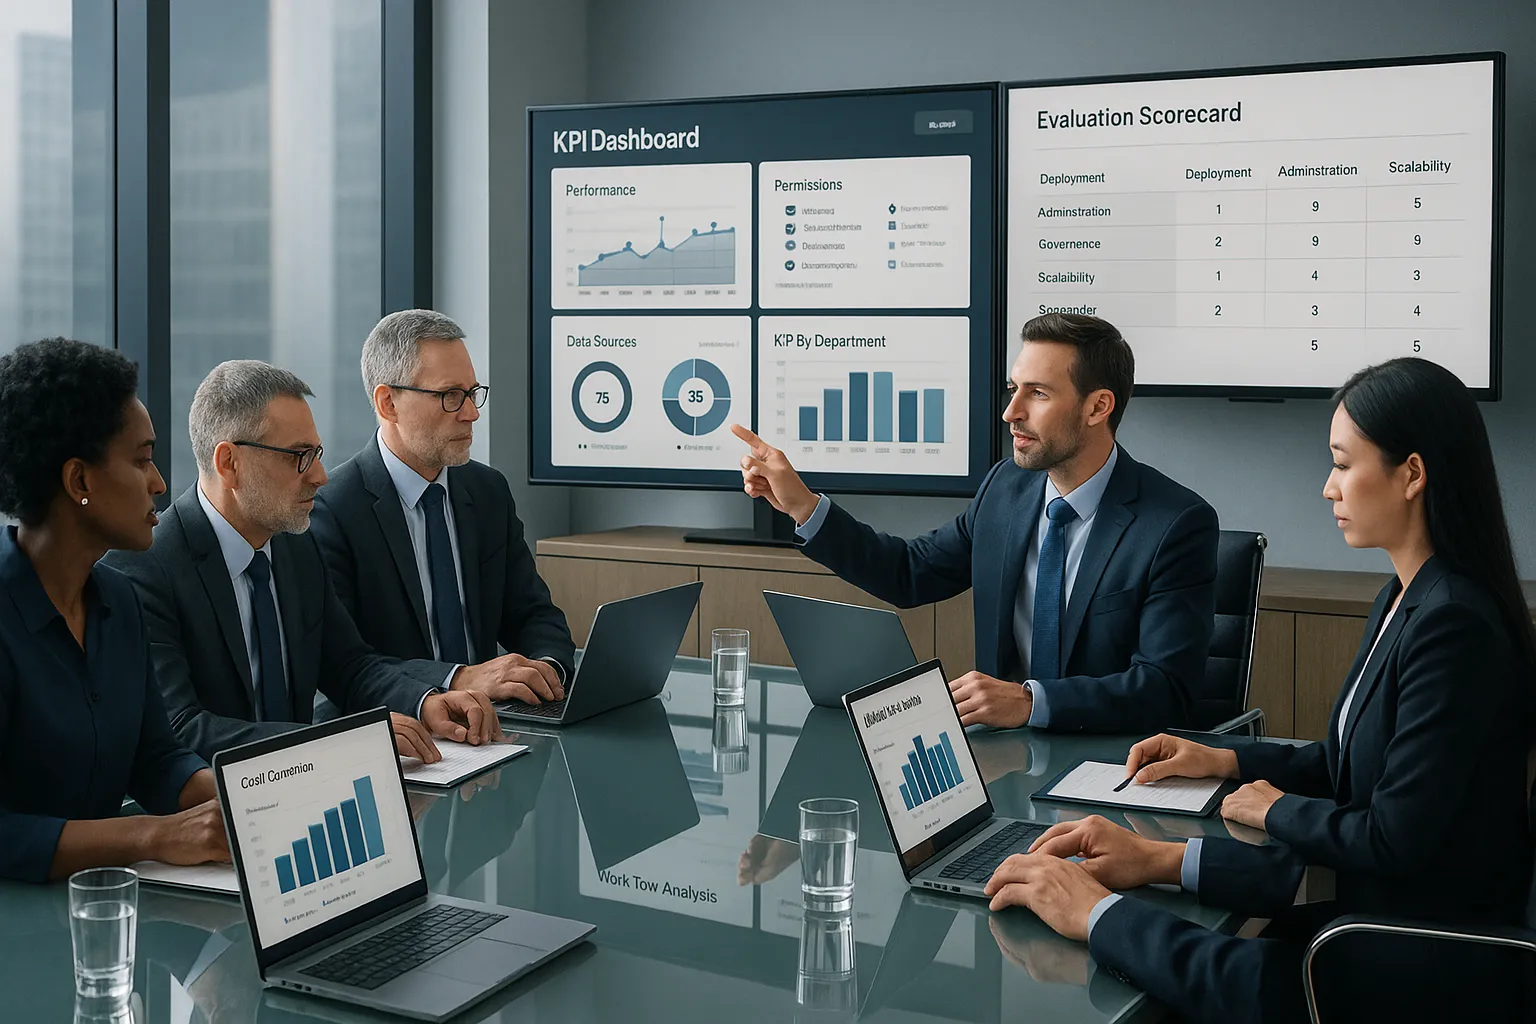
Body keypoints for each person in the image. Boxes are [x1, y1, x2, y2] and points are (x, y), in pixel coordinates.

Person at [984, 358, 1536, 1023]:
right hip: (1372, 920)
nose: (1328, 488)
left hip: (1401, 961)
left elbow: (1393, 840)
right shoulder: (1406, 595)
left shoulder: (1455, 626)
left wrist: (1269, 811)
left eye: (1342, 463)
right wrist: (1225, 767)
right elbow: (1347, 767)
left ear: (1412, 474)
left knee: (1134, 958)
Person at [734, 313, 1221, 733]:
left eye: (1039, 394)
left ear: (1098, 407)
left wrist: (1031, 702)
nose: (1011, 412)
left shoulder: (1175, 524)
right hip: (1003, 756)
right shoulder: (1005, 488)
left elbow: (1165, 689)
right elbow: (910, 573)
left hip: (1113, 767)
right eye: (1014, 389)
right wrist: (804, 507)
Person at [107, 360, 501, 765]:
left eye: (316, 454)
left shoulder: (298, 546)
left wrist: (424, 702)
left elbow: (350, 666)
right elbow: (181, 727)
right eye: (298, 457)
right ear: (229, 463)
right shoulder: (143, 568)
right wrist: (338, 741)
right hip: (207, 810)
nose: (319, 477)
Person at [0, 339, 228, 882]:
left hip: (104, 914)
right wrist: (154, 836)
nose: (160, 484)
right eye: (143, 460)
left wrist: (249, 798)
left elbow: (155, 760)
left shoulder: (120, 601)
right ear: (79, 481)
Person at [311, 309, 575, 705]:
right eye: (450, 396)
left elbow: (534, 614)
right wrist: (457, 679)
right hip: (396, 729)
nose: (472, 413)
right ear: (389, 403)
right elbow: (345, 665)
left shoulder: (488, 491)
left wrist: (547, 671)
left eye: (472, 393)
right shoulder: (331, 510)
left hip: (493, 723)